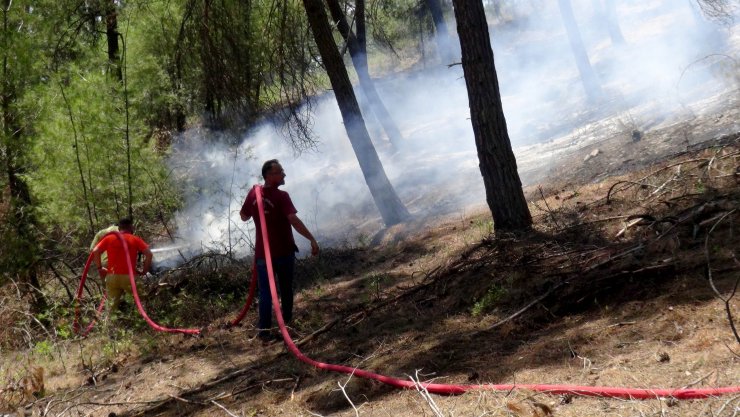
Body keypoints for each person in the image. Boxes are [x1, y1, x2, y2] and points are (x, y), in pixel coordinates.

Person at [240, 159, 320, 343]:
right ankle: (287, 323)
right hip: (283, 252)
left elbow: (243, 216)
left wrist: (258, 208)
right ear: (269, 175)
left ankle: (265, 331)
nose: (284, 175)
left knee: (266, 292)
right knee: (285, 288)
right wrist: (311, 239)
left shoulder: (254, 193)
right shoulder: (282, 197)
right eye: (280, 172)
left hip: (263, 256)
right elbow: (293, 220)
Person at [91, 218, 153, 312]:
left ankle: (109, 325)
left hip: (112, 277)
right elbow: (149, 254)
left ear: (119, 228)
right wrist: (145, 270)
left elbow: (95, 251)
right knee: (142, 300)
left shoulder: (109, 238)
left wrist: (100, 268)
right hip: (129, 278)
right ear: (131, 227)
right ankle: (144, 320)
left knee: (111, 308)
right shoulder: (135, 239)